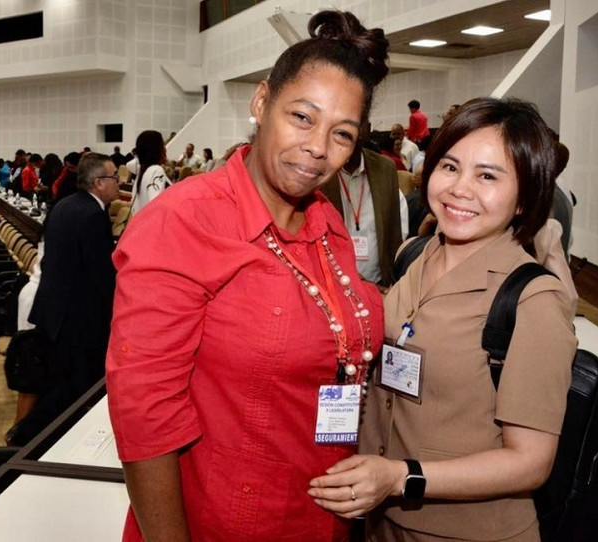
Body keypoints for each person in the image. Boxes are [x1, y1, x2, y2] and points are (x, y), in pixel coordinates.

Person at [106, 10, 389, 541]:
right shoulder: (185, 221)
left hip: (321, 513)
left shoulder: (327, 223)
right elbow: (145, 416)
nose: (318, 148)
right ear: (261, 102)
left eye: (342, 134)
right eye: (302, 118)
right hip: (223, 519)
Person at [308, 98, 578, 542]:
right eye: (450, 167)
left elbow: (530, 462)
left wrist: (399, 478)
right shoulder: (417, 255)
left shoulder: (532, 300)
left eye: (487, 176)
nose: (460, 188)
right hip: (382, 522)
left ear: (524, 199)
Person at [5, 153, 119, 446]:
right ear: (98, 183)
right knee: (72, 390)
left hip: (53, 313)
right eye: (114, 178)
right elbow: (101, 275)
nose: (119, 183)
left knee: (57, 385)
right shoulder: (93, 215)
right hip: (78, 320)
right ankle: (27, 439)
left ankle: (25, 439)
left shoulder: (64, 205)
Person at [320, 140, 403, 289]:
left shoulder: (385, 169)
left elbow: (394, 233)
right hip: (334, 285)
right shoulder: (321, 167)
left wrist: (393, 282)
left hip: (379, 284)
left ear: (367, 127)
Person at [130, 130, 172, 216]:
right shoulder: (156, 170)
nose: (165, 149)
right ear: (156, 149)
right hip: (154, 226)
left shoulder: (142, 172)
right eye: (163, 145)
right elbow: (156, 205)